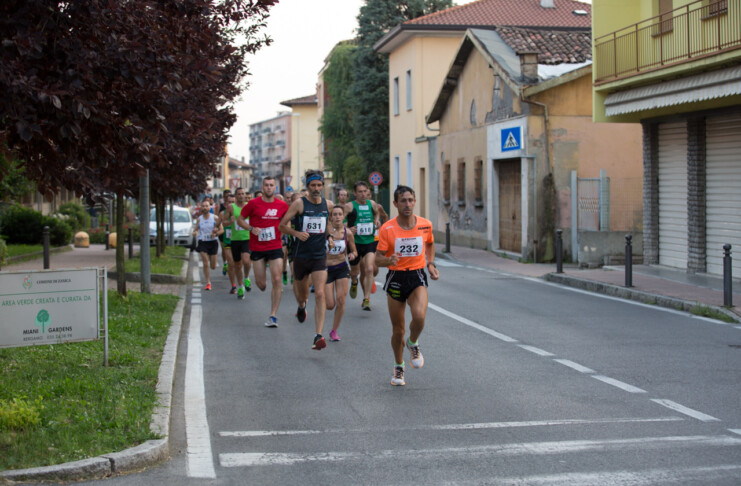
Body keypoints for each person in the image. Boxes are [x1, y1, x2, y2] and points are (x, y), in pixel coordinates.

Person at [375, 185, 439, 386]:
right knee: (398, 330)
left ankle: (413, 343)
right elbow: (377, 259)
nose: (407, 204)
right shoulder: (387, 228)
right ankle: (398, 366)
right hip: (396, 277)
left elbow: (430, 243)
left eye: (411, 200)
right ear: (395, 203)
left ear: (415, 202)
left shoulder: (425, 225)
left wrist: (430, 263)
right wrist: (388, 260)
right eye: (403, 200)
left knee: (419, 317)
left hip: (417, 275)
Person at [279, 170, 335, 350]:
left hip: (319, 256)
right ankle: (302, 306)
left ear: (323, 186)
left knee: (319, 293)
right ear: (308, 186)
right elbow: (282, 226)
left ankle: (318, 335)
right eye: (313, 185)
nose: (316, 188)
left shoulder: (328, 204)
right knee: (302, 295)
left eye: (319, 185)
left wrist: (330, 237)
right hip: (301, 255)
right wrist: (296, 233)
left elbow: (327, 224)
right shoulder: (299, 204)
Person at [238, 177, 289, 327]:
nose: (269, 187)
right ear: (262, 187)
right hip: (257, 248)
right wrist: (251, 229)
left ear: (275, 188)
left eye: (271, 185)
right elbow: (240, 220)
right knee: (261, 285)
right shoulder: (253, 204)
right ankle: (261, 281)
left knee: (277, 279)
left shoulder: (282, 205)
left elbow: (287, 221)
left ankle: (273, 315)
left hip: (275, 246)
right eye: (266, 185)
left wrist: (283, 232)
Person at [344, 181, 388, 311]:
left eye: (365, 191)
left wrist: (377, 220)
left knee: (369, 269)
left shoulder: (372, 204)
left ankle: (366, 299)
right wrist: (348, 229)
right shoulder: (349, 206)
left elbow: (377, 213)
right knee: (355, 272)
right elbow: (340, 221)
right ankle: (354, 281)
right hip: (354, 244)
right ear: (355, 193)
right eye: (360, 192)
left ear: (368, 191)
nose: (363, 194)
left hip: (370, 241)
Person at [325, 205, 357, 342]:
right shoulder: (325, 231)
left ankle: (334, 331)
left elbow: (354, 250)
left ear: (343, 216)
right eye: (335, 214)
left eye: (340, 214)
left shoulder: (347, 233)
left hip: (342, 268)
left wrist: (352, 255)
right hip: (326, 269)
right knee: (330, 305)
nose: (337, 217)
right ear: (331, 217)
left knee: (341, 300)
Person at [225, 187, 252, 299]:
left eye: (242, 194)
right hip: (235, 240)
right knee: (237, 264)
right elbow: (224, 222)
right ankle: (240, 287)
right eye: (239, 194)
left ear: (245, 195)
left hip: (247, 238)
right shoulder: (231, 207)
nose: (241, 195)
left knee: (246, 261)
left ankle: (246, 277)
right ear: (235, 196)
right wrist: (229, 222)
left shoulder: (249, 206)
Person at [193, 199, 223, 291]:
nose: (205, 208)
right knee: (205, 263)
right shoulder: (199, 219)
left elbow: (222, 230)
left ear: (210, 207)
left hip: (213, 242)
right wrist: (195, 232)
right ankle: (208, 282)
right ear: (201, 208)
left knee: (213, 266)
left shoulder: (215, 218)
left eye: (207, 206)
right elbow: (196, 229)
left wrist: (216, 234)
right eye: (203, 206)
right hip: (203, 242)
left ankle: (211, 259)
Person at [218, 191, 237, 294]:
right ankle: (233, 285)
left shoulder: (240, 212)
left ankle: (242, 280)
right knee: (231, 263)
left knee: (239, 264)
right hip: (227, 240)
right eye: (229, 202)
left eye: (233, 202)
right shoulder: (222, 213)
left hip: (238, 240)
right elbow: (218, 224)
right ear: (226, 203)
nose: (231, 204)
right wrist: (215, 230)